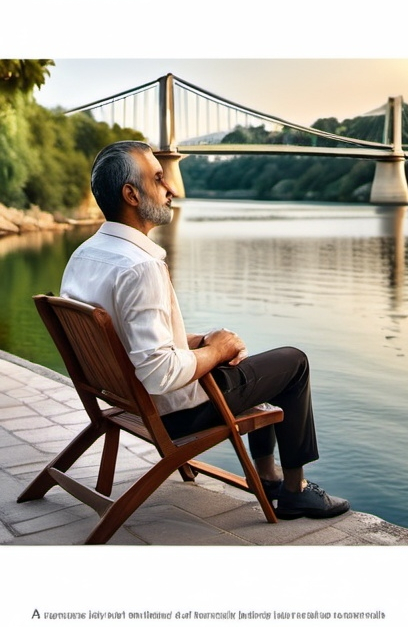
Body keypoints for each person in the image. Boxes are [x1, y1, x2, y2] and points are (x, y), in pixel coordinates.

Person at [60, 141, 350, 521]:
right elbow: (159, 373)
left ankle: (268, 477)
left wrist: (203, 342)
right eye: (160, 179)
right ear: (131, 194)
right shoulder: (140, 267)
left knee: (253, 363)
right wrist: (216, 351)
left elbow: (127, 335)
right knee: (292, 364)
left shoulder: (85, 254)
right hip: (170, 414)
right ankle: (294, 490)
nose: (172, 190)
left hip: (122, 399)